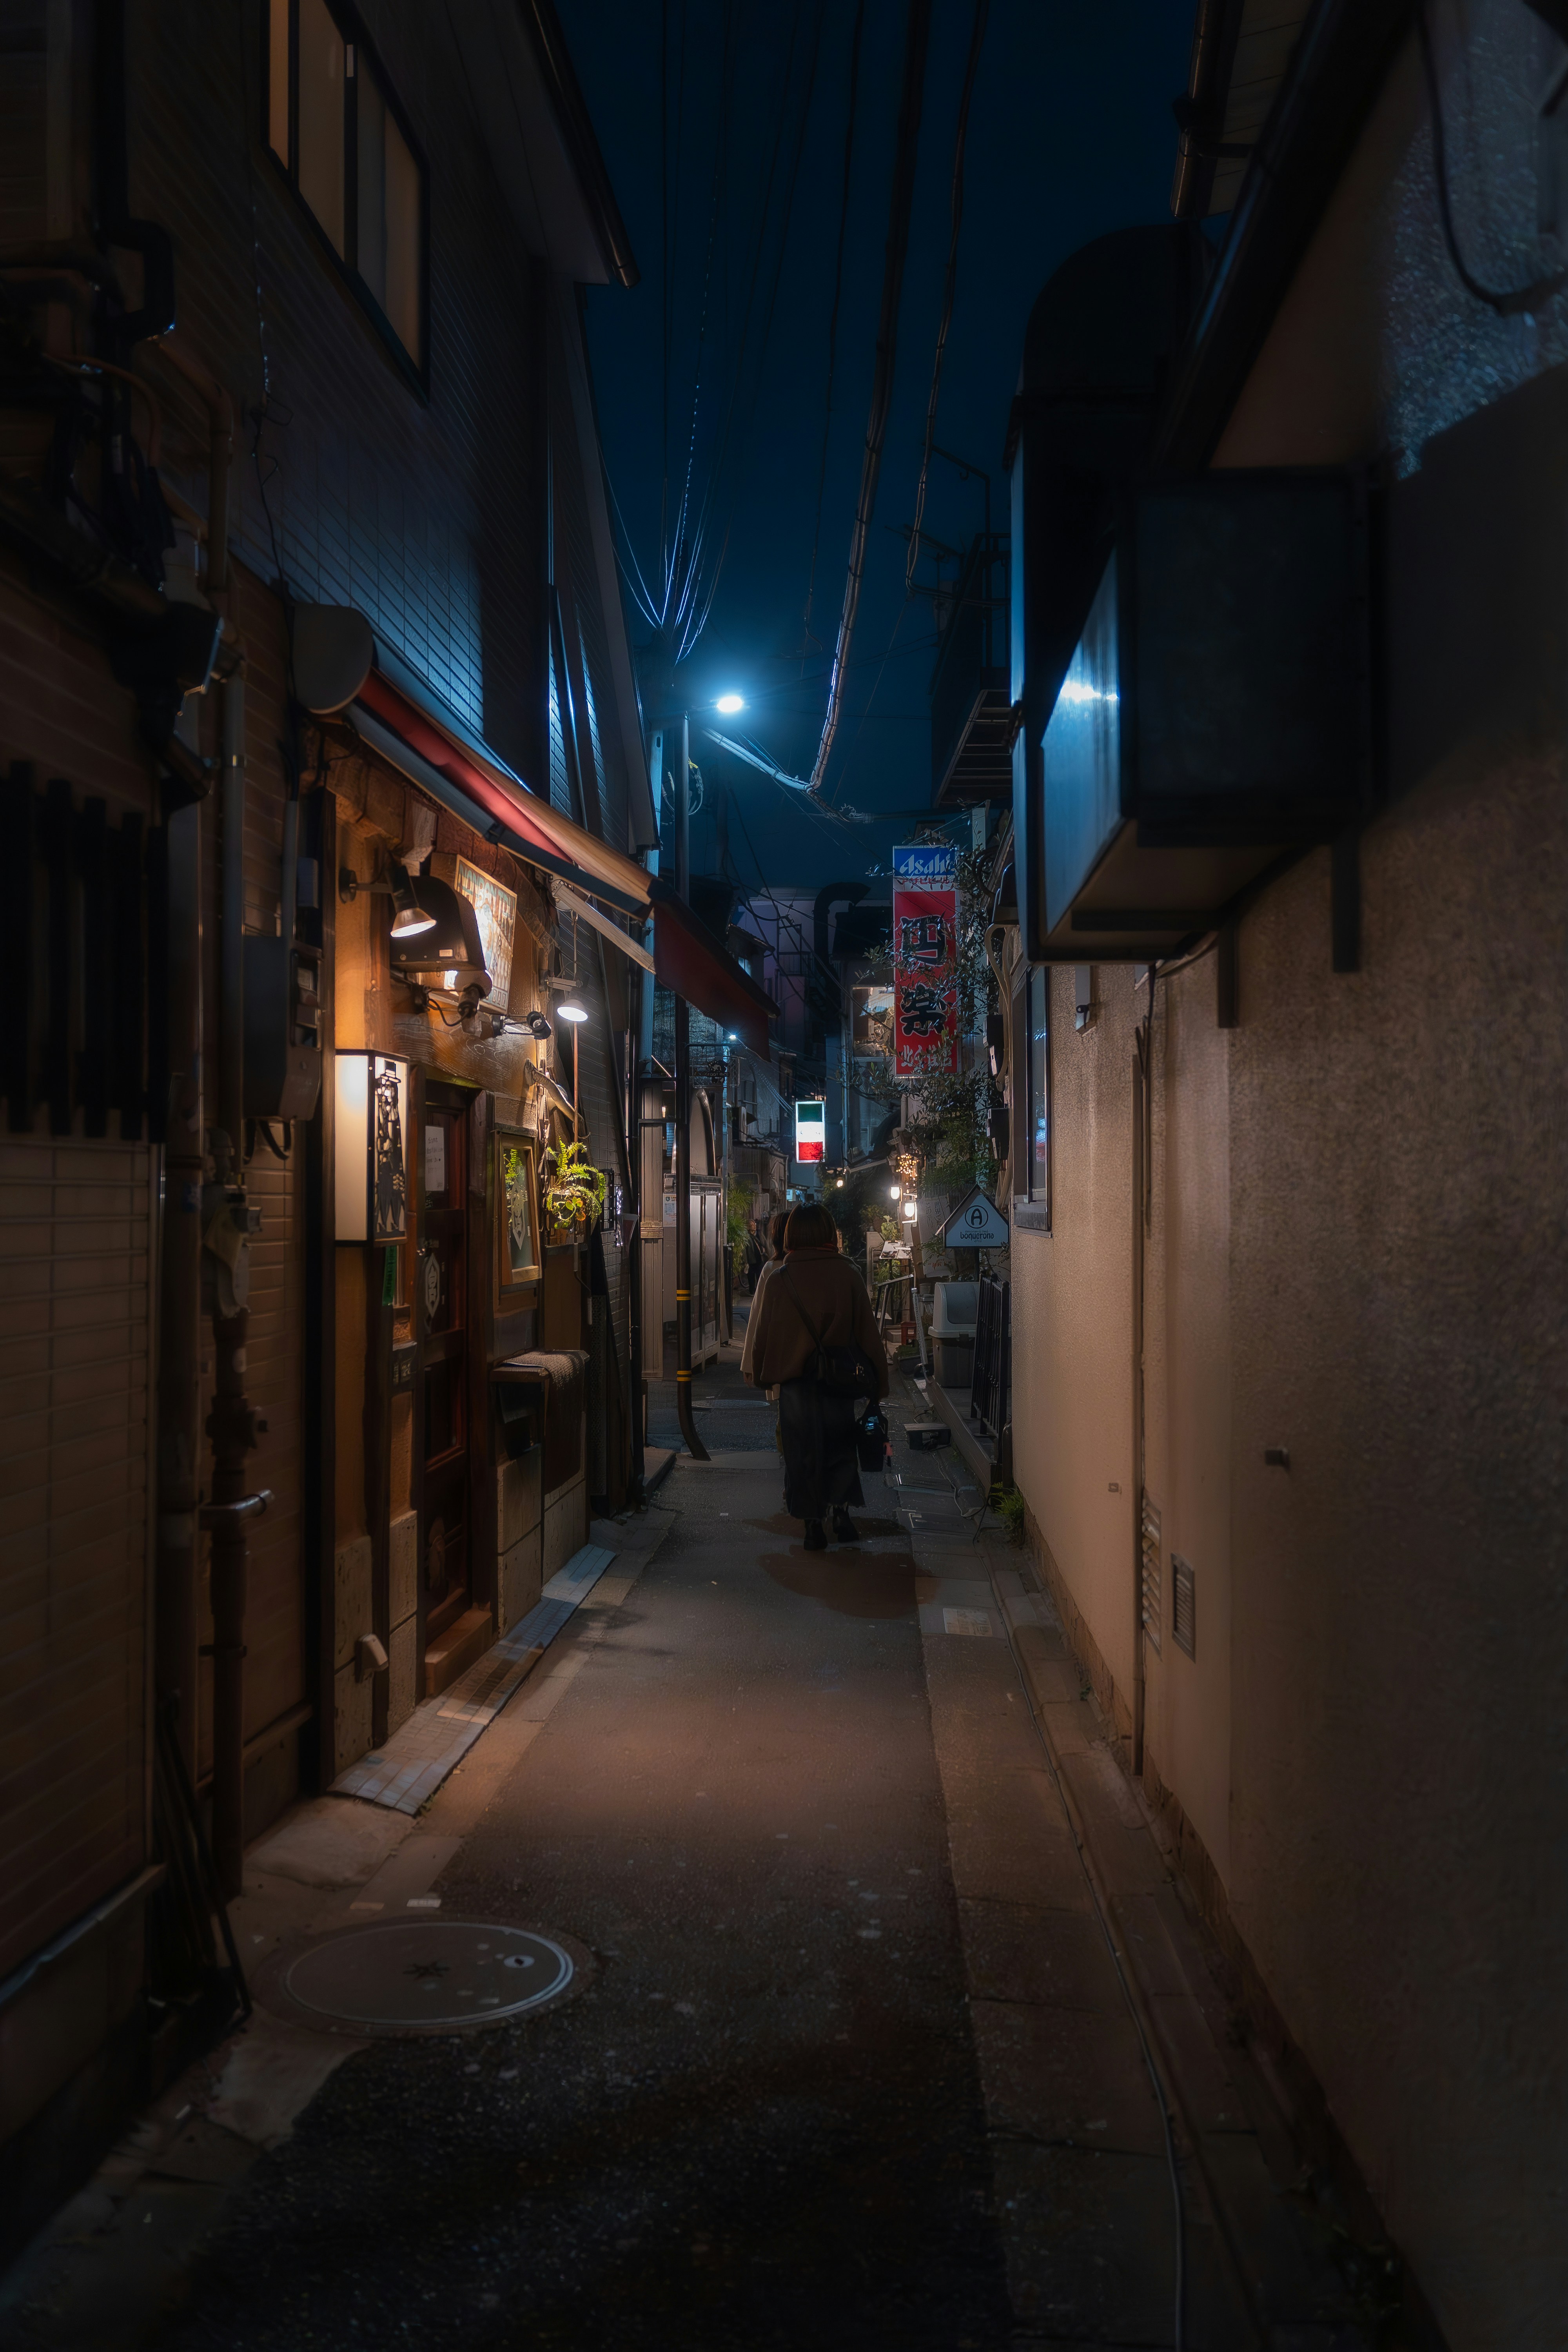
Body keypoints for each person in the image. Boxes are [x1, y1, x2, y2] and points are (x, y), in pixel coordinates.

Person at [744, 1200, 888, 1551]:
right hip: (840, 1382)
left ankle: (812, 1525)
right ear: (829, 1234)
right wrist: (879, 1385)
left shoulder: (781, 1279)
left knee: (801, 1452)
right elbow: (868, 1334)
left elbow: (766, 1334)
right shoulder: (848, 1274)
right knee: (841, 1446)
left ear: (792, 1235)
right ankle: (841, 1513)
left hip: (795, 1384)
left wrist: (764, 1375)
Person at [739, 1209, 789, 1387]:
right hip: (821, 1365)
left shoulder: (772, 1269)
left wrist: (750, 1364)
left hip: (783, 1357)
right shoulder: (824, 1268)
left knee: (788, 1410)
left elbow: (757, 1318)